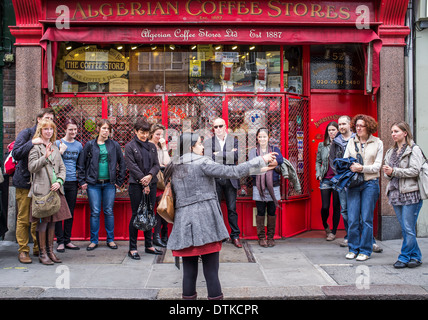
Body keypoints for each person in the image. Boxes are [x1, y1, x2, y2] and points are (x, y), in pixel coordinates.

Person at [164, 132, 277, 300]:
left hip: (183, 224)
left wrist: (258, 169)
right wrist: (261, 159)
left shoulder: (173, 165)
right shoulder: (202, 163)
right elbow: (232, 171)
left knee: (188, 274)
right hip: (206, 221)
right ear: (191, 147)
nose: (203, 147)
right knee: (211, 272)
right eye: (200, 144)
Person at [12, 108, 55, 264]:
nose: (49, 121)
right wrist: (32, 143)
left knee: (38, 217)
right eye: (46, 118)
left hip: (42, 186)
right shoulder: (26, 134)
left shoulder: (50, 137)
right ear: (39, 119)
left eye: (52, 119)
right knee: (23, 218)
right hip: (25, 183)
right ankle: (23, 250)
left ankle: (39, 247)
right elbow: (16, 153)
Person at [77, 119, 126, 251]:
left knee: (109, 211)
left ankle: (110, 240)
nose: (105, 131)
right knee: (95, 212)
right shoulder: (90, 145)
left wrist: (119, 181)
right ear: (98, 129)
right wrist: (82, 181)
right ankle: (94, 241)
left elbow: (122, 163)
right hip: (93, 184)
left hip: (109, 184)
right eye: (103, 128)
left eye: (108, 129)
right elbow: (81, 164)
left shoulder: (114, 145)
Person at [28, 119, 72, 265]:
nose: (48, 132)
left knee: (53, 222)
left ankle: (51, 251)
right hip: (42, 192)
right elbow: (32, 167)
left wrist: (59, 181)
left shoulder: (54, 146)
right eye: (45, 129)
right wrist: (45, 157)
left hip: (56, 190)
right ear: (40, 131)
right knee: (43, 223)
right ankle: (42, 253)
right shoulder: (36, 148)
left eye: (51, 129)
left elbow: (62, 168)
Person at [383, 122, 424, 268]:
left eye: (396, 131)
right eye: (392, 131)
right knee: (407, 228)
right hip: (395, 194)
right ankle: (416, 256)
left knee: (408, 228)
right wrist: (388, 172)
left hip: (410, 193)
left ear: (405, 133)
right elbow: (388, 175)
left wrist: (394, 171)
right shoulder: (391, 151)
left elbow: (415, 171)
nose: (393, 134)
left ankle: (404, 256)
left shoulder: (414, 149)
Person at [344, 114, 383, 261]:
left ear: (369, 127)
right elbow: (346, 161)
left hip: (370, 183)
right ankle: (353, 248)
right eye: (357, 126)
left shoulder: (378, 142)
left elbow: (377, 166)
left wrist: (362, 168)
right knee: (353, 218)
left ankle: (365, 250)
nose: (358, 128)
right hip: (354, 184)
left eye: (362, 126)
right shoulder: (351, 142)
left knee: (366, 218)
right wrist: (351, 167)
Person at [125, 119, 161, 259]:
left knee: (149, 214)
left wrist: (150, 176)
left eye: (146, 133)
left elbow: (156, 165)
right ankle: (132, 248)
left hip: (151, 184)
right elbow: (132, 166)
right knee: (136, 214)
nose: (144, 135)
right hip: (136, 185)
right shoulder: (130, 146)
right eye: (142, 132)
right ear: (135, 131)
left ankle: (149, 245)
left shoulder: (152, 147)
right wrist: (143, 181)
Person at [203, 118, 242, 248]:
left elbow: (237, 157)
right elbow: (209, 158)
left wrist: (218, 154)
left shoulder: (234, 140)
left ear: (225, 126)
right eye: (216, 127)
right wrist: (228, 154)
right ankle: (219, 236)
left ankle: (235, 236)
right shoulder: (208, 142)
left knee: (232, 209)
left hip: (230, 178)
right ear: (213, 129)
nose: (218, 129)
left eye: (220, 126)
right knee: (216, 209)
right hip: (216, 179)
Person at [249, 127, 284, 247]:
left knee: (272, 211)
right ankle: (261, 237)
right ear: (257, 138)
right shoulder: (253, 151)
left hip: (273, 185)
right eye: (260, 137)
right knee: (260, 211)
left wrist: (263, 166)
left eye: (264, 136)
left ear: (268, 137)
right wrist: (270, 165)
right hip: (258, 186)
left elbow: (280, 160)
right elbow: (252, 168)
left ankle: (270, 237)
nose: (262, 139)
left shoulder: (275, 149)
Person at [55, 118, 83, 252]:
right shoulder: (57, 143)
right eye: (70, 129)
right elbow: (51, 163)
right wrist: (60, 152)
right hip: (59, 181)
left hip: (72, 181)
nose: (73, 132)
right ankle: (59, 241)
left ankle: (67, 240)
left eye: (75, 129)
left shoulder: (79, 145)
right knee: (58, 211)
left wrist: (81, 180)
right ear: (65, 130)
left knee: (69, 212)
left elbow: (80, 164)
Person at [329, 116, 355, 246]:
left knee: (356, 209)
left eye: (344, 124)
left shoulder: (356, 139)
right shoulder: (336, 142)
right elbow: (332, 160)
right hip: (342, 180)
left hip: (355, 180)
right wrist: (339, 175)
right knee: (344, 209)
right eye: (340, 124)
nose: (341, 126)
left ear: (350, 124)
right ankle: (349, 235)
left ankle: (359, 236)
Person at [316, 122, 341, 241]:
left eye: (334, 130)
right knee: (325, 206)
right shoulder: (322, 145)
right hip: (325, 179)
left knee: (336, 206)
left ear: (338, 131)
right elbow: (318, 161)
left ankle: (333, 232)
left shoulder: (341, 144)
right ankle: (326, 225)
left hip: (337, 179)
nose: (331, 132)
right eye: (329, 130)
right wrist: (318, 174)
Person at [149, 123, 171, 247]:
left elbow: (167, 162)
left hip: (163, 180)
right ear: (152, 134)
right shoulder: (148, 146)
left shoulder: (160, 146)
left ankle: (164, 235)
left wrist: (164, 147)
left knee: (164, 208)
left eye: (161, 134)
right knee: (159, 209)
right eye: (157, 134)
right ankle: (156, 236)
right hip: (154, 180)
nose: (159, 137)